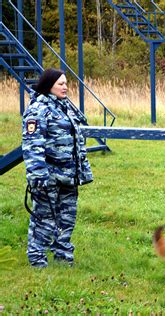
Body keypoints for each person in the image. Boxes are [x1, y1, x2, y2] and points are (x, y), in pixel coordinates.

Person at [22, 68, 93, 268]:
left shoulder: (64, 107)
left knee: (66, 218)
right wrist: (38, 176)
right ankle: (37, 259)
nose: (65, 87)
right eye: (60, 83)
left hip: (69, 176)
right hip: (48, 178)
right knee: (44, 219)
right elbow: (32, 145)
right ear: (48, 85)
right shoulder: (38, 109)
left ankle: (63, 257)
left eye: (66, 83)